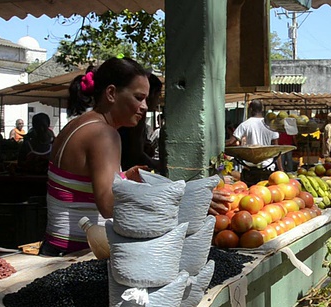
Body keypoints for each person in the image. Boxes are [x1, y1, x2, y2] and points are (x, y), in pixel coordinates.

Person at [40, 57, 231, 256]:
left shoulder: (77, 124)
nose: (145, 106)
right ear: (111, 93)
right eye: (138, 97)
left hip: (55, 247)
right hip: (76, 254)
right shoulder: (104, 135)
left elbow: (79, 185)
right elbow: (108, 205)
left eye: (146, 99)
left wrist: (124, 179)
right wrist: (184, 199)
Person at [118, 73, 162, 172]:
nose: (158, 101)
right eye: (138, 97)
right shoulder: (136, 117)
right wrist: (158, 164)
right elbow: (136, 154)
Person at [226, 99, 283, 171]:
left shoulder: (245, 124)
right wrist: (281, 169)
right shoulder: (270, 125)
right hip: (267, 166)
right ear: (261, 109)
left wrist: (218, 145)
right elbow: (277, 149)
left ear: (251, 109)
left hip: (249, 167)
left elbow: (231, 142)